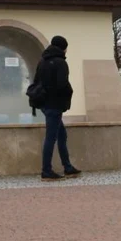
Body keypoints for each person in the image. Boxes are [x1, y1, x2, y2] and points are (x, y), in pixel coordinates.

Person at [36, 35, 80, 181]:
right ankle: (46, 171)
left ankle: (67, 167)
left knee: (61, 135)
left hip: (44, 103)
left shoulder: (42, 61)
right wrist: (68, 93)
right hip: (55, 104)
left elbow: (37, 81)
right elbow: (62, 84)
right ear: (63, 47)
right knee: (51, 138)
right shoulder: (60, 62)